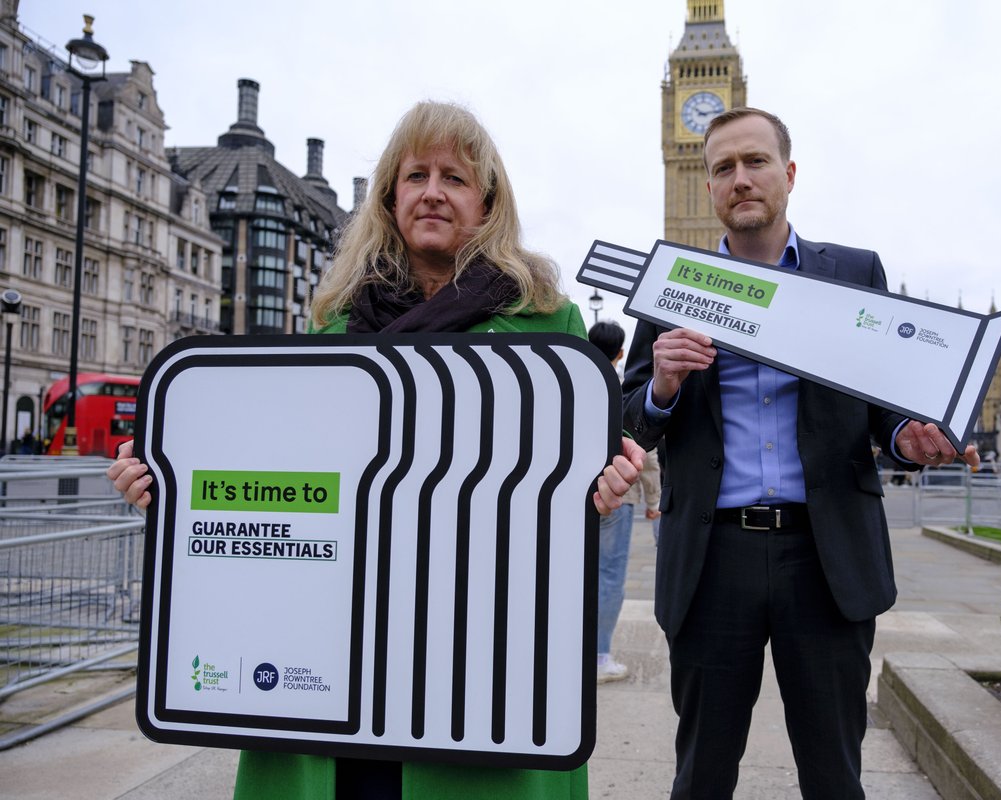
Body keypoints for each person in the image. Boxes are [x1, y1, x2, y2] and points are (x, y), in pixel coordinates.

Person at [109, 101, 643, 800]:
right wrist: (170, 490)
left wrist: (604, 489)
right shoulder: (333, 322)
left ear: (486, 201)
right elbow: (276, 476)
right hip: (331, 659)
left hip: (477, 669)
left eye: (453, 177)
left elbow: (567, 492)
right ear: (390, 197)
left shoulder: (547, 320)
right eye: (414, 174)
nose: (431, 191)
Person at [621, 107, 980, 800]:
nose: (741, 178)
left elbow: (890, 405)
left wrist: (909, 438)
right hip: (711, 559)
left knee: (835, 771)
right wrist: (663, 382)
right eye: (723, 167)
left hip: (826, 556)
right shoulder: (674, 283)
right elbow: (634, 418)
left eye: (755, 162)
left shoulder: (851, 271)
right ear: (709, 189)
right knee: (700, 772)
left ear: (788, 174)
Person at [587, 321, 634, 683]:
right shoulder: (617, 388)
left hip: (577, 490)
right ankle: (600, 655)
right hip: (618, 491)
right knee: (610, 575)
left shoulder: (578, 380)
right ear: (620, 353)